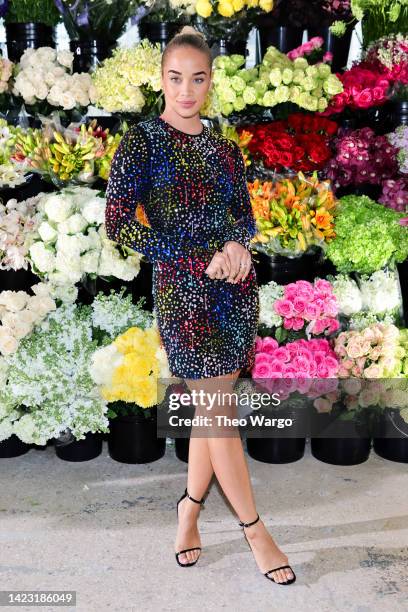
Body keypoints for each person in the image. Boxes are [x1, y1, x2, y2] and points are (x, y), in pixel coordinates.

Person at [105, 25, 296, 586]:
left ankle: (189, 509)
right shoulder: (140, 141)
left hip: (233, 291)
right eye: (175, 78)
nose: (186, 90)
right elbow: (118, 223)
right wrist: (193, 255)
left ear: (210, 83)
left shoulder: (225, 147)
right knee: (219, 416)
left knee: (215, 416)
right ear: (160, 80)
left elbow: (244, 215)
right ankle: (255, 529)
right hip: (184, 293)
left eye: (198, 79)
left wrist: (237, 246)